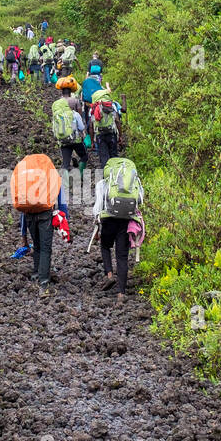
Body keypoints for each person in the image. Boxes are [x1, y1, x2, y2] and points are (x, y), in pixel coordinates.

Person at [92, 157, 144, 299]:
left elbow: (98, 205)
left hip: (109, 220)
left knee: (105, 246)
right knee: (122, 257)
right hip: (125, 221)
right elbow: (140, 200)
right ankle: (121, 292)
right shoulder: (134, 182)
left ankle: (109, 274)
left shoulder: (104, 183)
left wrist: (96, 226)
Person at [12, 154, 64, 296]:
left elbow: (22, 207)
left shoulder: (25, 175)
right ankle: (44, 284)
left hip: (29, 215)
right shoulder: (49, 170)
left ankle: (36, 273)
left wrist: (23, 234)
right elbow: (60, 194)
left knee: (37, 245)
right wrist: (63, 219)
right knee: (46, 248)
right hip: (45, 214)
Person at [52, 95, 88, 175]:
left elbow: (54, 132)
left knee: (66, 164)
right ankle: (80, 176)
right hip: (76, 141)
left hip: (63, 142)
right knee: (84, 157)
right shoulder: (74, 114)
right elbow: (81, 127)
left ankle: (65, 184)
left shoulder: (56, 117)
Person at [91, 88, 124, 165]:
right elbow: (117, 121)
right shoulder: (112, 106)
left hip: (100, 135)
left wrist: (92, 140)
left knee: (103, 157)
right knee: (114, 156)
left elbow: (91, 126)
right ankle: (114, 174)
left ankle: (105, 174)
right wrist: (120, 136)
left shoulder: (94, 108)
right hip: (112, 133)